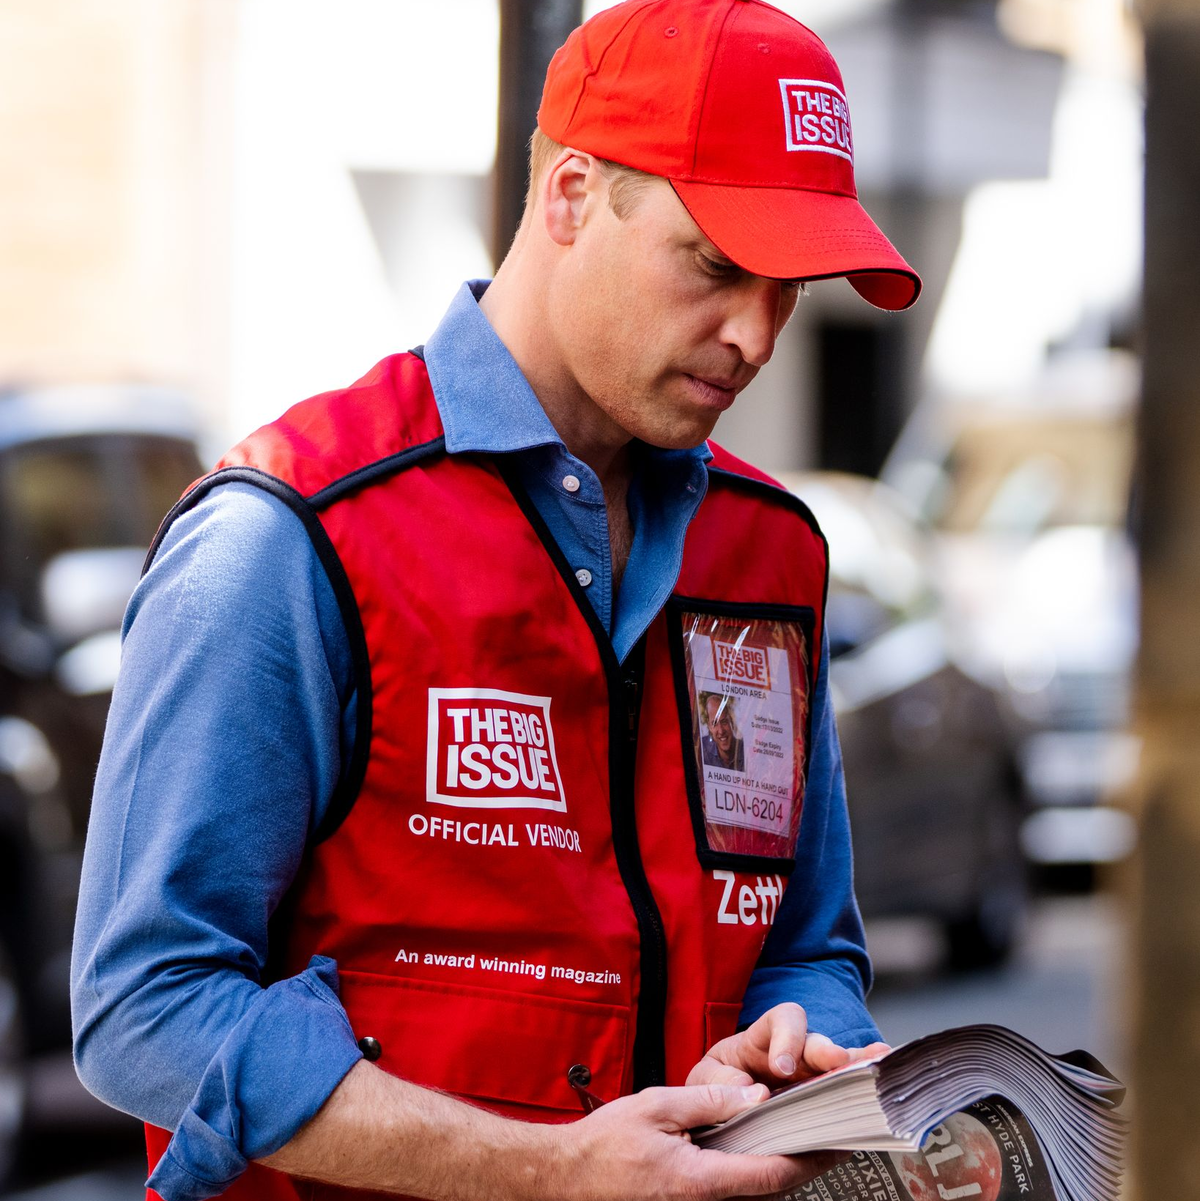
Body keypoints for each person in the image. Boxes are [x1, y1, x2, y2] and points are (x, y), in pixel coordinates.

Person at [71, 2, 920, 1199]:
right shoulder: (291, 534)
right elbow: (144, 1008)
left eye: (791, 287)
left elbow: (805, 944)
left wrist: (803, 1043)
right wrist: (552, 1171)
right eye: (719, 265)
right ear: (572, 194)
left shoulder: (769, 550)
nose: (757, 334)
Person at [700, 693, 745, 772]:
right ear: (709, 727)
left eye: (724, 722)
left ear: (731, 721)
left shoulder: (746, 751)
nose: (721, 731)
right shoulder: (702, 749)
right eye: (714, 724)